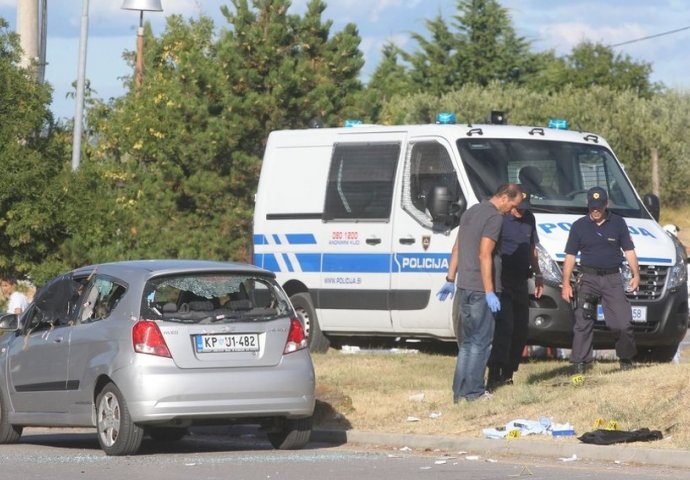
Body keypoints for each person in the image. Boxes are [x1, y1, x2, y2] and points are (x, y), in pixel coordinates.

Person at [437, 183, 523, 402]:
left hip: (464, 286)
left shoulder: (471, 211)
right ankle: (475, 392)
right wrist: (489, 291)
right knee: (481, 343)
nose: (512, 210)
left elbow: (456, 248)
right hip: (480, 290)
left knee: (467, 343)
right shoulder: (494, 218)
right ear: (504, 197)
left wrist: (450, 279)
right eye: (513, 204)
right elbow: (485, 254)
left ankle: (460, 392)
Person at [560, 186, 639, 373]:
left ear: (606, 204)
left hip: (612, 278)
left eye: (599, 206)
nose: (595, 210)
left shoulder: (618, 223)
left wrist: (636, 275)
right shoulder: (579, 225)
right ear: (588, 205)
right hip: (588, 279)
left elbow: (629, 251)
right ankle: (580, 364)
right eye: (592, 206)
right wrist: (565, 284)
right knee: (583, 321)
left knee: (622, 323)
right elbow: (570, 256)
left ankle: (626, 359)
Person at [486, 191, 544, 390]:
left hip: (521, 280)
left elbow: (532, 248)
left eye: (524, 209)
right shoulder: (500, 219)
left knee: (520, 330)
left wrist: (539, 274)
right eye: (518, 208)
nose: (521, 212)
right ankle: (494, 374)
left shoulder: (529, 218)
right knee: (505, 329)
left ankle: (509, 373)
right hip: (503, 280)